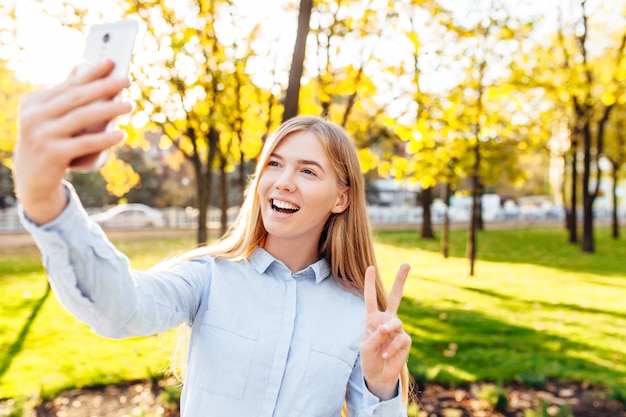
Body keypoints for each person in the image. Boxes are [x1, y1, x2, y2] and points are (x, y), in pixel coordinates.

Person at [13, 60, 413, 416]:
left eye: (307, 171)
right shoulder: (207, 277)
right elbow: (119, 308)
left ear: (341, 198)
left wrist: (381, 388)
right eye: (274, 164)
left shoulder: (359, 315)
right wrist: (46, 201)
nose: (283, 182)